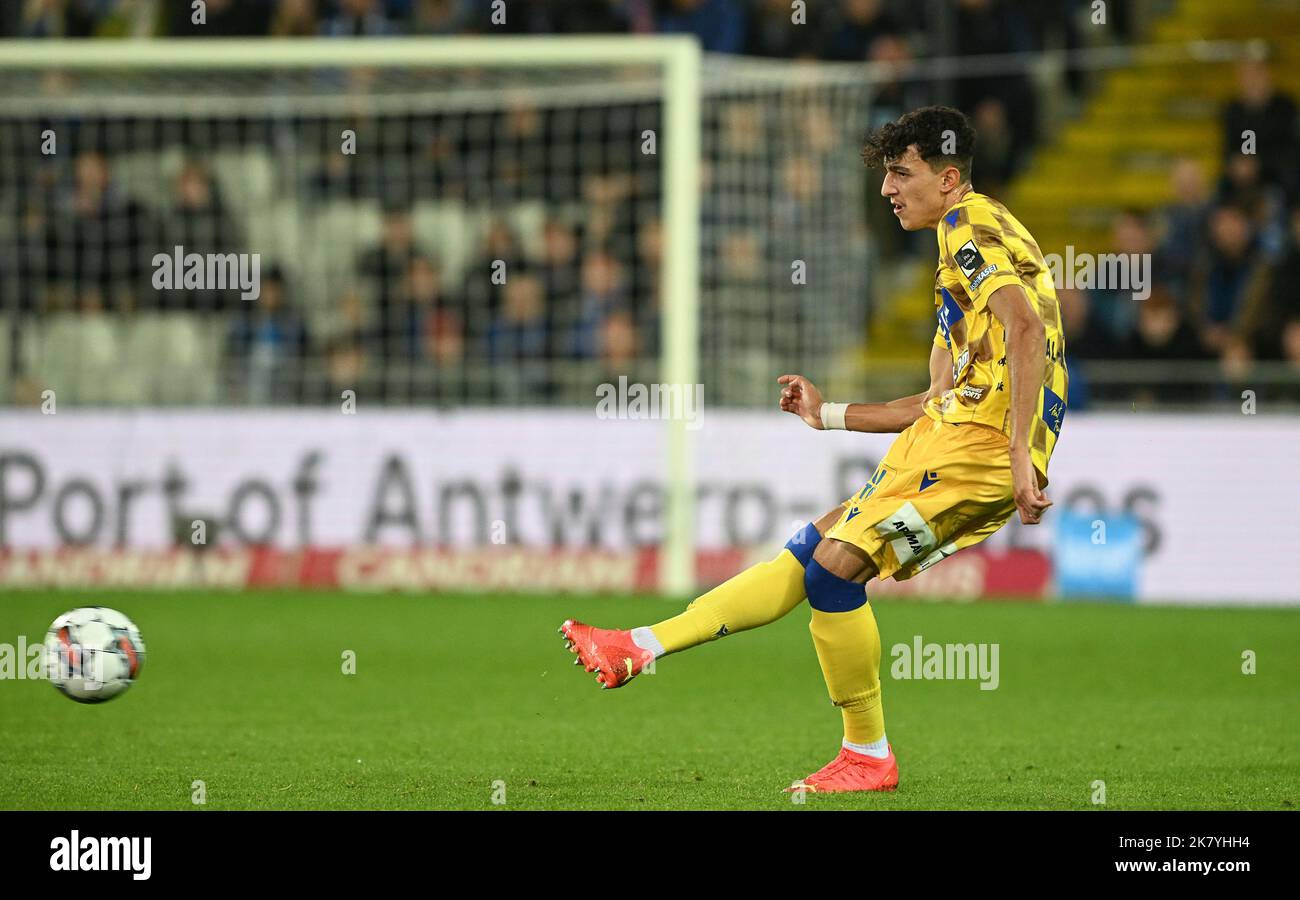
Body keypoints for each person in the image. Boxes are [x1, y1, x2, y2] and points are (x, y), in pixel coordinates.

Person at [560, 107, 1067, 794]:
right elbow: (928, 402)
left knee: (834, 571)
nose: (888, 189)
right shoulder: (964, 258)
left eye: (902, 173)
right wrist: (823, 412)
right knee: (810, 553)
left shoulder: (966, 225)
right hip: (946, 438)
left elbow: (1028, 328)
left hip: (975, 451)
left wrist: (1017, 452)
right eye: (886, 174)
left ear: (949, 179)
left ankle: (867, 754)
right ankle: (638, 647)